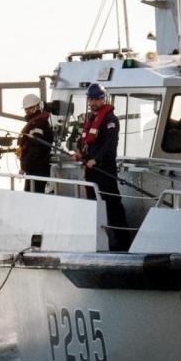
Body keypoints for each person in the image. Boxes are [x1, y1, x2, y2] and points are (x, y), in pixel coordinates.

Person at [76, 83, 132, 251]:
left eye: (96, 99)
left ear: (103, 99)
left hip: (105, 170)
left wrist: (96, 160)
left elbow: (110, 144)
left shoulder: (110, 120)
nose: (93, 102)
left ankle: (123, 241)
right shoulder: (91, 119)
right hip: (92, 171)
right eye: (91, 99)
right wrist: (81, 154)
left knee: (113, 204)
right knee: (95, 205)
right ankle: (100, 241)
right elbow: (88, 144)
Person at [17, 93, 54, 193]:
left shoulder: (39, 124)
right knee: (30, 195)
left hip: (37, 170)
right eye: (27, 109)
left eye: (31, 108)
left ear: (39, 106)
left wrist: (24, 166)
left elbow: (35, 148)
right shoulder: (36, 123)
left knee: (33, 196)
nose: (28, 111)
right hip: (33, 169)